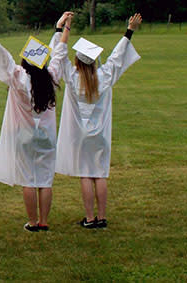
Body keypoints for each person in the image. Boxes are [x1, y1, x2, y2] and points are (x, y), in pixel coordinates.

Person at [54, 12, 142, 229]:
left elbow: (60, 55)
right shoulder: (104, 77)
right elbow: (117, 56)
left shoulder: (73, 79)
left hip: (81, 136)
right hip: (100, 134)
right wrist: (129, 30)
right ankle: (101, 218)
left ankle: (90, 217)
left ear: (78, 61)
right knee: (99, 173)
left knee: (85, 174)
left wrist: (63, 28)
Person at [0, 18, 63, 232]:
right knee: (45, 180)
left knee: (28, 179)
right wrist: (61, 29)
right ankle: (44, 222)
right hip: (46, 135)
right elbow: (59, 54)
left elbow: (2, 55)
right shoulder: (51, 77)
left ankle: (33, 222)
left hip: (25, 135)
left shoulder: (18, 77)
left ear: (25, 61)